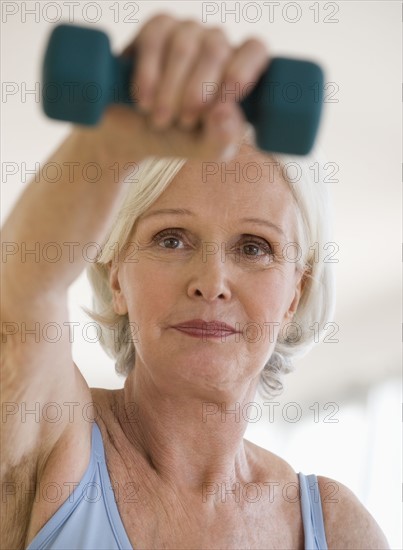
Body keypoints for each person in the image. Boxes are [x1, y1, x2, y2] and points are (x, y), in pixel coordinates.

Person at [1, 13, 389, 550]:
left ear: (294, 296)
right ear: (116, 276)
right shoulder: (52, 446)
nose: (212, 282)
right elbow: (19, 297)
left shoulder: (338, 526)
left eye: (254, 248)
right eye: (171, 239)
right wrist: (113, 141)